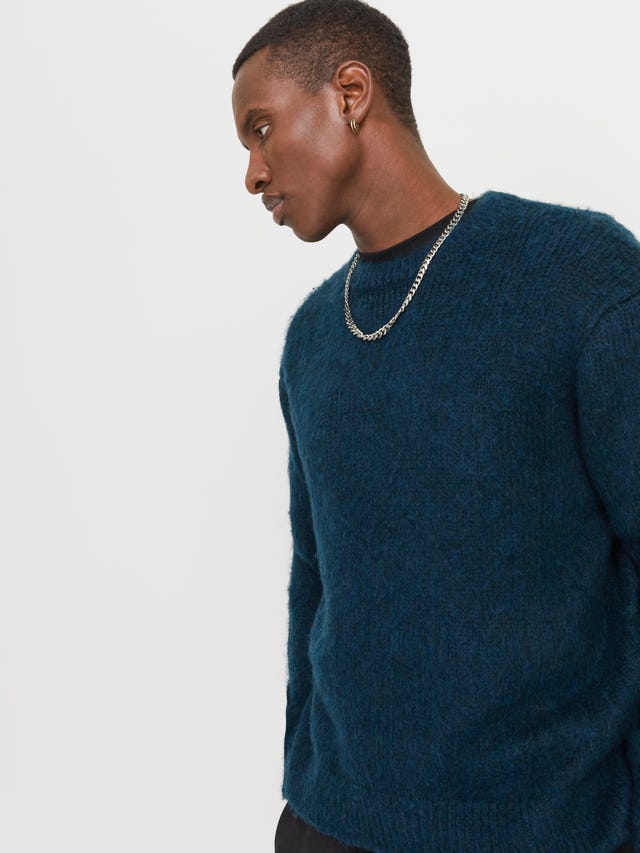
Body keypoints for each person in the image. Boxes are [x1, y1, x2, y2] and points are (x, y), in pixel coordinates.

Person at [231, 1, 640, 850]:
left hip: (541, 829)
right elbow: (315, 580)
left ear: (350, 94)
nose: (254, 174)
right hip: (328, 822)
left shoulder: (578, 277)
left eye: (261, 129)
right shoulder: (312, 338)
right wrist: (302, 779)